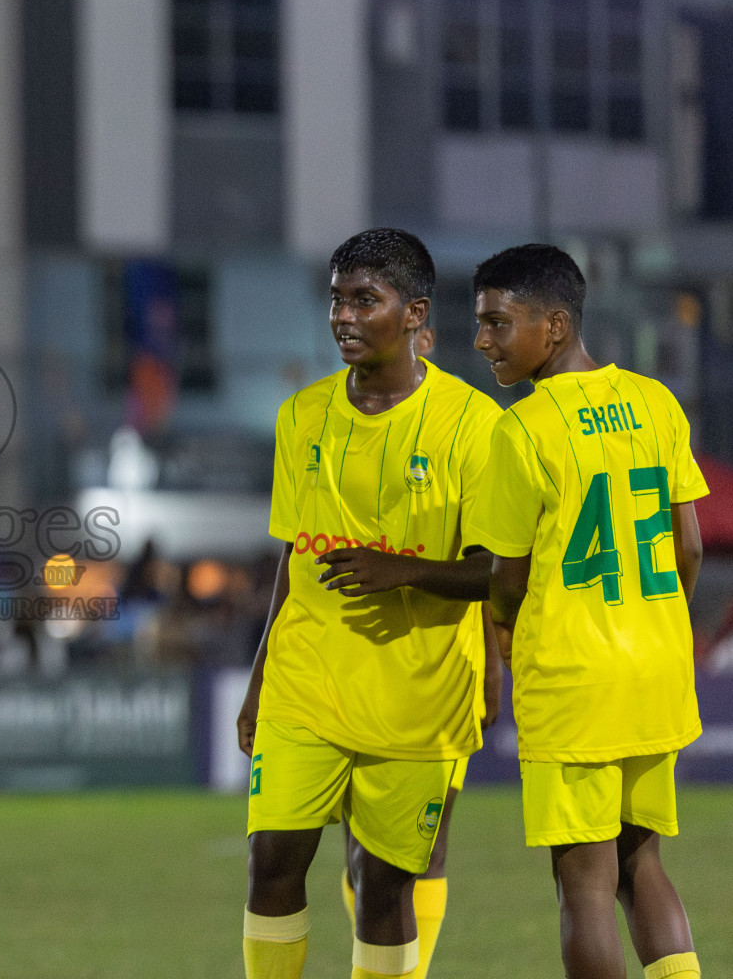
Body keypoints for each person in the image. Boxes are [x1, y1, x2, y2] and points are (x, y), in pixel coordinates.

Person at [235, 228, 500, 979]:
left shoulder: (472, 425)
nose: (343, 317)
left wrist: (403, 571)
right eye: (335, 300)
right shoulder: (300, 417)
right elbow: (293, 558)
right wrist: (259, 677)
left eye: (364, 300)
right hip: (305, 682)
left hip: (414, 695)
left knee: (383, 885)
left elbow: (497, 571)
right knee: (270, 862)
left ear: (415, 313)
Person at [467, 244, 705, 979]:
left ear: (555, 325)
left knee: (582, 882)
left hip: (572, 675)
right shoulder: (654, 401)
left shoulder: (523, 430)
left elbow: (504, 577)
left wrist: (502, 640)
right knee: (641, 861)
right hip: (654, 668)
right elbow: (688, 547)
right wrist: (652, 621)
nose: (482, 341)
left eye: (498, 323)